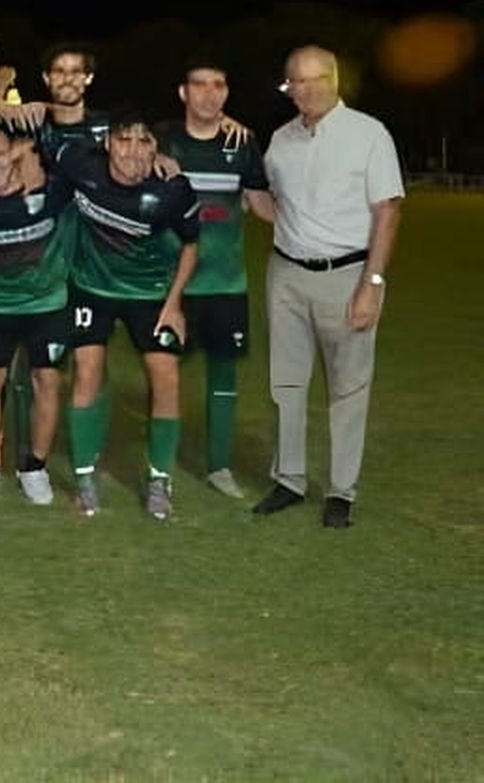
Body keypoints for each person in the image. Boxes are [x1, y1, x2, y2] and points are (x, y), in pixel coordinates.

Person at [253, 45, 403, 529]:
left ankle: (341, 490)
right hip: (288, 276)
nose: (304, 90)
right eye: (294, 82)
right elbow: (273, 203)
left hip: (348, 276)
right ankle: (290, 478)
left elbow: (388, 211)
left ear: (334, 79)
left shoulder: (368, 134)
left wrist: (372, 283)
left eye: (313, 79)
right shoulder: (280, 140)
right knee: (287, 383)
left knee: (348, 387)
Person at [54, 115, 201, 520]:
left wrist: (173, 305)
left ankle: (159, 479)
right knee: (87, 371)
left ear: (156, 148)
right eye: (125, 140)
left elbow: (191, 245)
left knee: (166, 376)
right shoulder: (81, 166)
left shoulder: (172, 189)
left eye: (144, 140)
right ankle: (85, 479)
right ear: (108, 144)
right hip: (91, 289)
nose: (133, 150)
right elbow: (39, 142)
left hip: (150, 294)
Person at [158, 60, 275, 499]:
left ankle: (219, 467)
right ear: (183, 93)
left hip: (227, 284)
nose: (210, 94)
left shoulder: (243, 144)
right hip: (174, 288)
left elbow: (261, 204)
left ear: (226, 93)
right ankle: (162, 466)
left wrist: (312, 233)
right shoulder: (162, 139)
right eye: (200, 85)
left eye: (219, 86)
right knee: (166, 375)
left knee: (223, 375)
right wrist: (153, 156)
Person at [0, 128, 74, 505]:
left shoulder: (53, 190)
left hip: (47, 304)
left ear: (16, 153)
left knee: (46, 382)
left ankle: (35, 468)